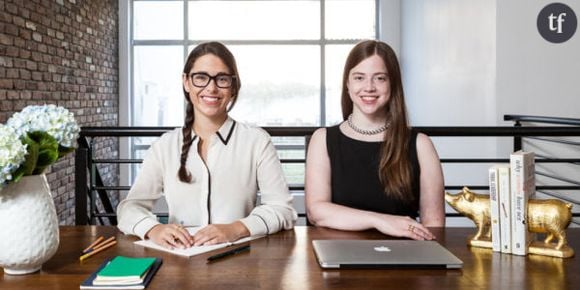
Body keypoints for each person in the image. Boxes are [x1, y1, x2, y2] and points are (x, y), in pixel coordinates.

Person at [118, 42, 297, 249]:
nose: (211, 88)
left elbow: (282, 209)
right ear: (186, 82)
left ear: (233, 86)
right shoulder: (164, 146)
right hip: (179, 263)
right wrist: (154, 229)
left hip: (239, 261)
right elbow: (129, 209)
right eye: (201, 78)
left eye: (222, 79)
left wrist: (235, 228)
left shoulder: (257, 141)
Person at [305, 40, 445, 240]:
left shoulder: (421, 144)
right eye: (359, 77)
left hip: (402, 259)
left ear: (393, 83)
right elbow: (317, 212)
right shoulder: (323, 140)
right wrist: (380, 221)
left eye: (380, 78)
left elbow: (434, 226)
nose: (369, 87)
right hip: (337, 257)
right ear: (347, 83)